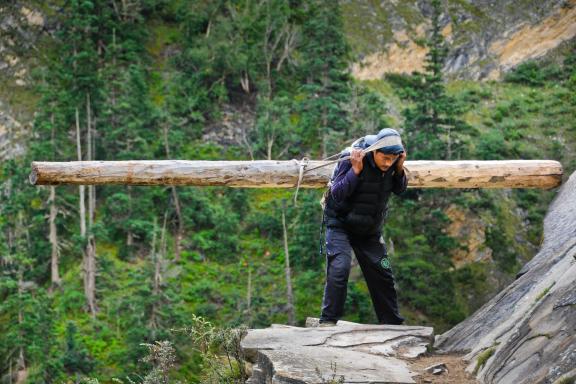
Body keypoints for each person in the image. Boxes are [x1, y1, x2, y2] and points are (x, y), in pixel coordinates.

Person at [319, 128, 407, 326]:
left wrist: (399, 169)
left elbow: (400, 189)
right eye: (384, 157)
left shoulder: (394, 164)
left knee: (383, 274)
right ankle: (328, 322)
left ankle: (392, 324)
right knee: (339, 269)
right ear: (374, 151)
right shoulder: (350, 158)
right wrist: (355, 170)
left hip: (369, 230)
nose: (387, 163)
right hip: (340, 224)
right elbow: (337, 194)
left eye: (392, 158)